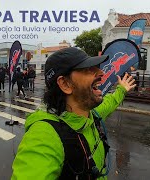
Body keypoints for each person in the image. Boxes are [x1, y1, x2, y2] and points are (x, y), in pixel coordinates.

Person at [12, 47, 136, 179]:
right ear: (65, 84)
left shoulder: (91, 115)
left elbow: (109, 103)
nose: (101, 73)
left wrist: (122, 89)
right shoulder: (44, 136)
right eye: (88, 69)